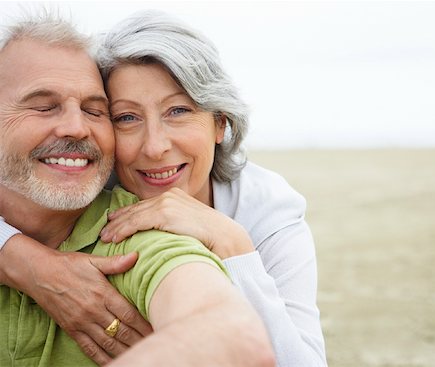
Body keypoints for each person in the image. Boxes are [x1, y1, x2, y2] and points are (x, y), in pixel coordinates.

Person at [1, 9, 327, 367]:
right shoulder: (82, 172)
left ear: (220, 123)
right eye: (126, 117)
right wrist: (29, 263)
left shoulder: (268, 210)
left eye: (178, 111)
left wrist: (233, 245)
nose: (154, 147)